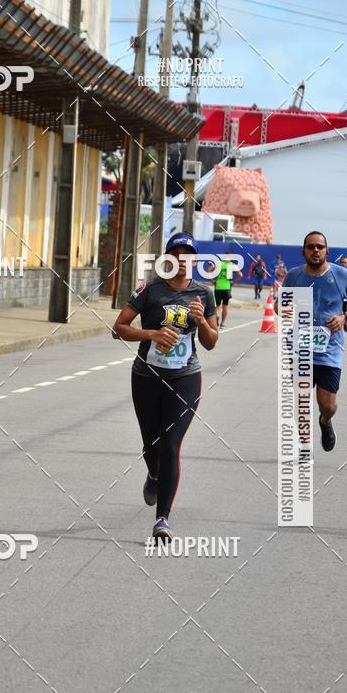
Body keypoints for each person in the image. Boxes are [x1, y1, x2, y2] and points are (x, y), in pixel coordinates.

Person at [112, 232, 218, 542]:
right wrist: (152, 335)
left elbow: (211, 343)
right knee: (151, 444)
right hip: (146, 376)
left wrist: (201, 323)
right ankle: (154, 473)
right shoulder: (150, 289)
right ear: (166, 258)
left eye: (188, 255)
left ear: (194, 260)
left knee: (171, 444)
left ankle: (162, 519)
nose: (181, 260)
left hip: (185, 377)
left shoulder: (204, 294)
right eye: (176, 254)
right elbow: (119, 328)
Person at [282, 232, 347, 451]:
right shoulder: (293, 276)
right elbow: (279, 304)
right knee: (301, 401)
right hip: (300, 350)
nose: (315, 250)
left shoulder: (341, 274)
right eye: (311, 247)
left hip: (330, 351)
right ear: (304, 251)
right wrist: (284, 309)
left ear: (327, 251)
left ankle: (325, 421)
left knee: (327, 405)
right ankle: (305, 446)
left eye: (320, 247)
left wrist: (344, 317)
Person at [214, 253, 243, 328]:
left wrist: (212, 280)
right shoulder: (231, 265)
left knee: (217, 305)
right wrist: (234, 282)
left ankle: (216, 316)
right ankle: (222, 323)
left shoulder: (219, 264)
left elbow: (209, 270)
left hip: (218, 286)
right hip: (227, 287)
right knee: (225, 306)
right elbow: (240, 275)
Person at [336, 256, 347, 330]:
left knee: (345, 310)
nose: (343, 264)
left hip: (346, 296)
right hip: (336, 296)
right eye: (342, 262)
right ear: (339, 263)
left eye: (345, 263)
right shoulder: (335, 273)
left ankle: (344, 322)